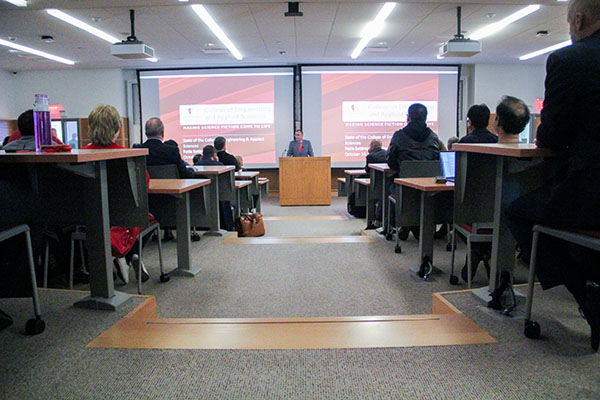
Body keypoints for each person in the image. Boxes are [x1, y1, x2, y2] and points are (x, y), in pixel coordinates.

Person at [505, 0, 600, 351]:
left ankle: (586, 294)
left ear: (579, 19)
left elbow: (553, 136)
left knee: (520, 212)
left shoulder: (568, 59)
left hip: (591, 193)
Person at [82, 104, 150, 284]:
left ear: (90, 127)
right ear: (117, 129)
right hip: (121, 217)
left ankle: (122, 257)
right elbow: (143, 186)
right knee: (147, 217)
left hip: (83, 219)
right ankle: (130, 254)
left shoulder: (79, 156)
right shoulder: (128, 157)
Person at [386, 103, 442, 235]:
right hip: (431, 190)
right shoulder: (434, 137)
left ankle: (396, 224)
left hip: (405, 188)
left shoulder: (399, 136)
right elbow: (437, 161)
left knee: (389, 186)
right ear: (425, 118)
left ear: (409, 118)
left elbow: (391, 161)